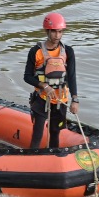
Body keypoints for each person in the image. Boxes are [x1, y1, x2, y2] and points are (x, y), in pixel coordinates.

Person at [23, 12, 78, 150]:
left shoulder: (68, 52)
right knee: (38, 134)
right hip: (42, 99)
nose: (57, 36)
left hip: (60, 100)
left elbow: (71, 76)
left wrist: (75, 100)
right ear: (47, 31)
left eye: (60, 32)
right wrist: (44, 86)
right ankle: (31, 161)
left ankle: (54, 160)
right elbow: (27, 76)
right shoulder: (35, 51)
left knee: (55, 133)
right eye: (54, 32)